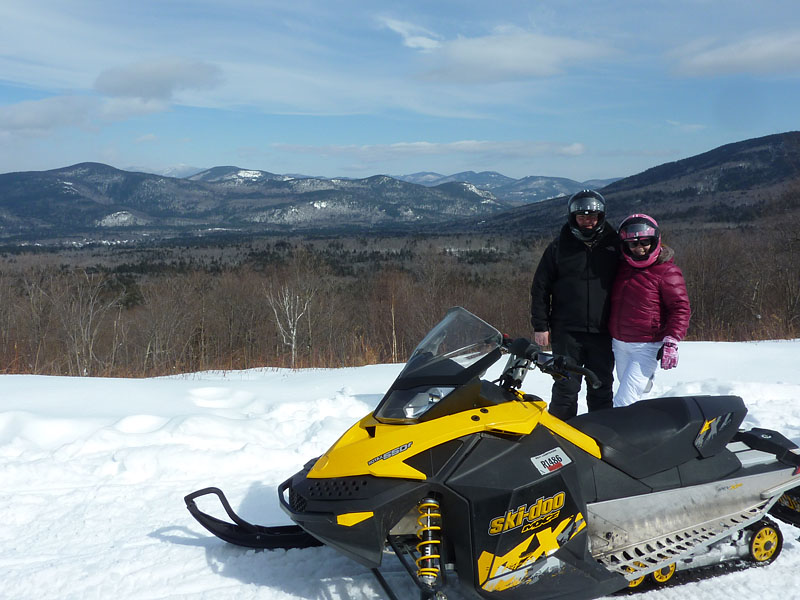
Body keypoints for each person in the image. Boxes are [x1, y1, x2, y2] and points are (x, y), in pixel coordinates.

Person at [530, 190, 620, 420]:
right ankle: (561, 437)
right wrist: (540, 325)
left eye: (593, 217)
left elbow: (640, 275)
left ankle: (602, 434)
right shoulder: (559, 247)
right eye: (582, 217)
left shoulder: (615, 246)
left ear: (601, 217)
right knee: (565, 389)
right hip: (567, 331)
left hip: (603, 330)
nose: (588, 222)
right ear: (573, 217)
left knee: (601, 387)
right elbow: (541, 286)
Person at [608, 214, 691, 407]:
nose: (639, 248)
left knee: (623, 400)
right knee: (628, 385)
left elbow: (680, 308)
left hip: (646, 345)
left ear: (655, 241)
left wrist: (672, 340)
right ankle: (644, 383)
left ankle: (620, 436)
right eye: (633, 244)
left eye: (645, 242)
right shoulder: (621, 267)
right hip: (619, 343)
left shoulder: (667, 272)